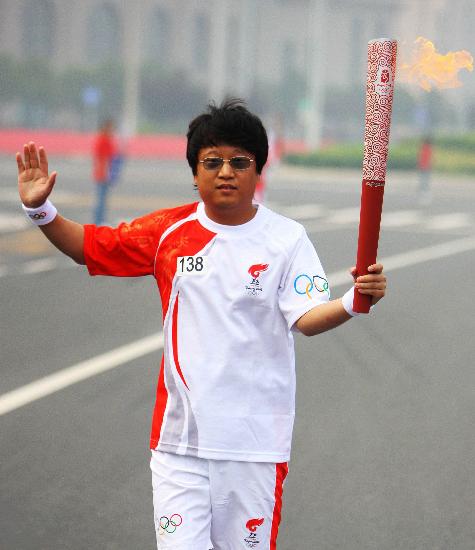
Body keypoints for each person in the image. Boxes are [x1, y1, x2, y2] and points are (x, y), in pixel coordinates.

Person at [17, 99, 386, 550]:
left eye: (239, 161)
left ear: (258, 171)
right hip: (179, 446)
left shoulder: (286, 239)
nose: (225, 171)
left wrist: (351, 301)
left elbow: (306, 318)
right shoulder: (168, 233)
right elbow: (90, 247)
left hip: (254, 448)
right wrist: (42, 211)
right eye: (212, 162)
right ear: (195, 173)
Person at [92, 118, 120, 225]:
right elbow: (104, 158)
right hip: (103, 174)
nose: (112, 130)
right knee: (101, 200)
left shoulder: (106, 139)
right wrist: (106, 174)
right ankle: (98, 221)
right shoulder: (103, 140)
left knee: (103, 199)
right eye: (111, 128)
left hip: (104, 173)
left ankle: (100, 220)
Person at [417, 135, 433, 205]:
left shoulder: (425, 148)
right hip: (426, 167)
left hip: (424, 168)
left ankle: (424, 195)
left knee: (424, 182)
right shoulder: (428, 148)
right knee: (425, 182)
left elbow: (422, 158)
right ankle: (425, 195)